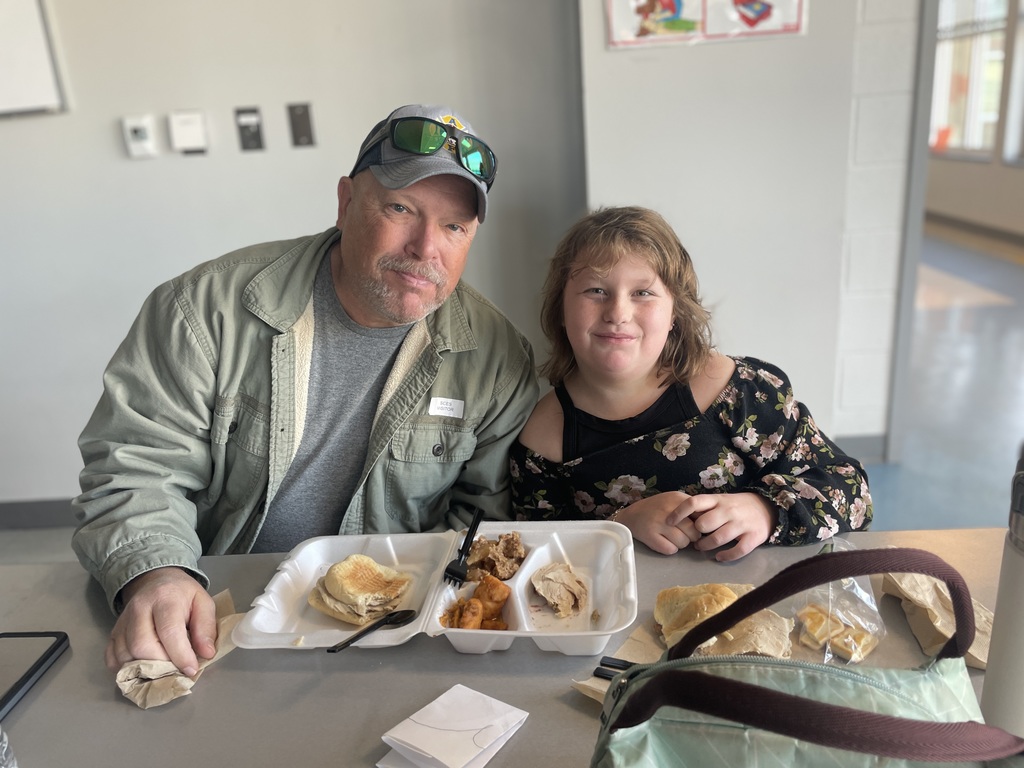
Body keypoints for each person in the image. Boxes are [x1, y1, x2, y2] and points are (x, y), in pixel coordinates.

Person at [72, 104, 539, 676]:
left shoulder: (497, 359)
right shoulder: (202, 310)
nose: (425, 247)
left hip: (395, 625)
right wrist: (158, 573)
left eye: (454, 227)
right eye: (400, 208)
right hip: (221, 612)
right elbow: (138, 467)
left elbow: (481, 522)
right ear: (345, 202)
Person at [510, 205, 871, 561]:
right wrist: (619, 526)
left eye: (643, 293)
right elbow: (531, 557)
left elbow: (852, 491)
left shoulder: (741, 392)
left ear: (675, 313)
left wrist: (764, 510)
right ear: (561, 308)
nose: (617, 313)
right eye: (595, 290)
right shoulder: (543, 439)